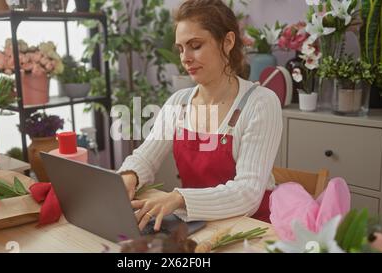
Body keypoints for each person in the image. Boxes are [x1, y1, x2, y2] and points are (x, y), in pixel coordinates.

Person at [117, 0, 282, 232]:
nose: (185, 58)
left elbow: (247, 194)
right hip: (196, 225)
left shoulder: (261, 103)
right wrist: (129, 176)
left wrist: (178, 198)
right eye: (181, 48)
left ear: (227, 42)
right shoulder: (179, 102)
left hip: (250, 228)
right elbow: (145, 157)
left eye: (195, 45)